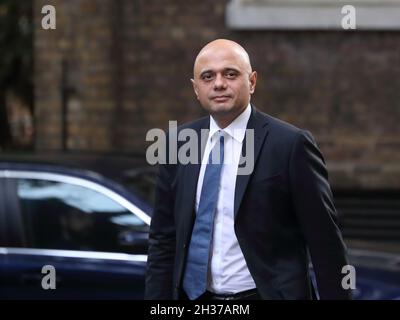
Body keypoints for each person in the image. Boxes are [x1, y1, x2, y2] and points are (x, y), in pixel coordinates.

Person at [145, 39, 352, 300]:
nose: (219, 83)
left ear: (252, 81)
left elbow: (326, 244)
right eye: (207, 77)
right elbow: (163, 240)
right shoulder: (178, 144)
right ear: (196, 88)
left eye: (230, 74)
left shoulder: (290, 145)